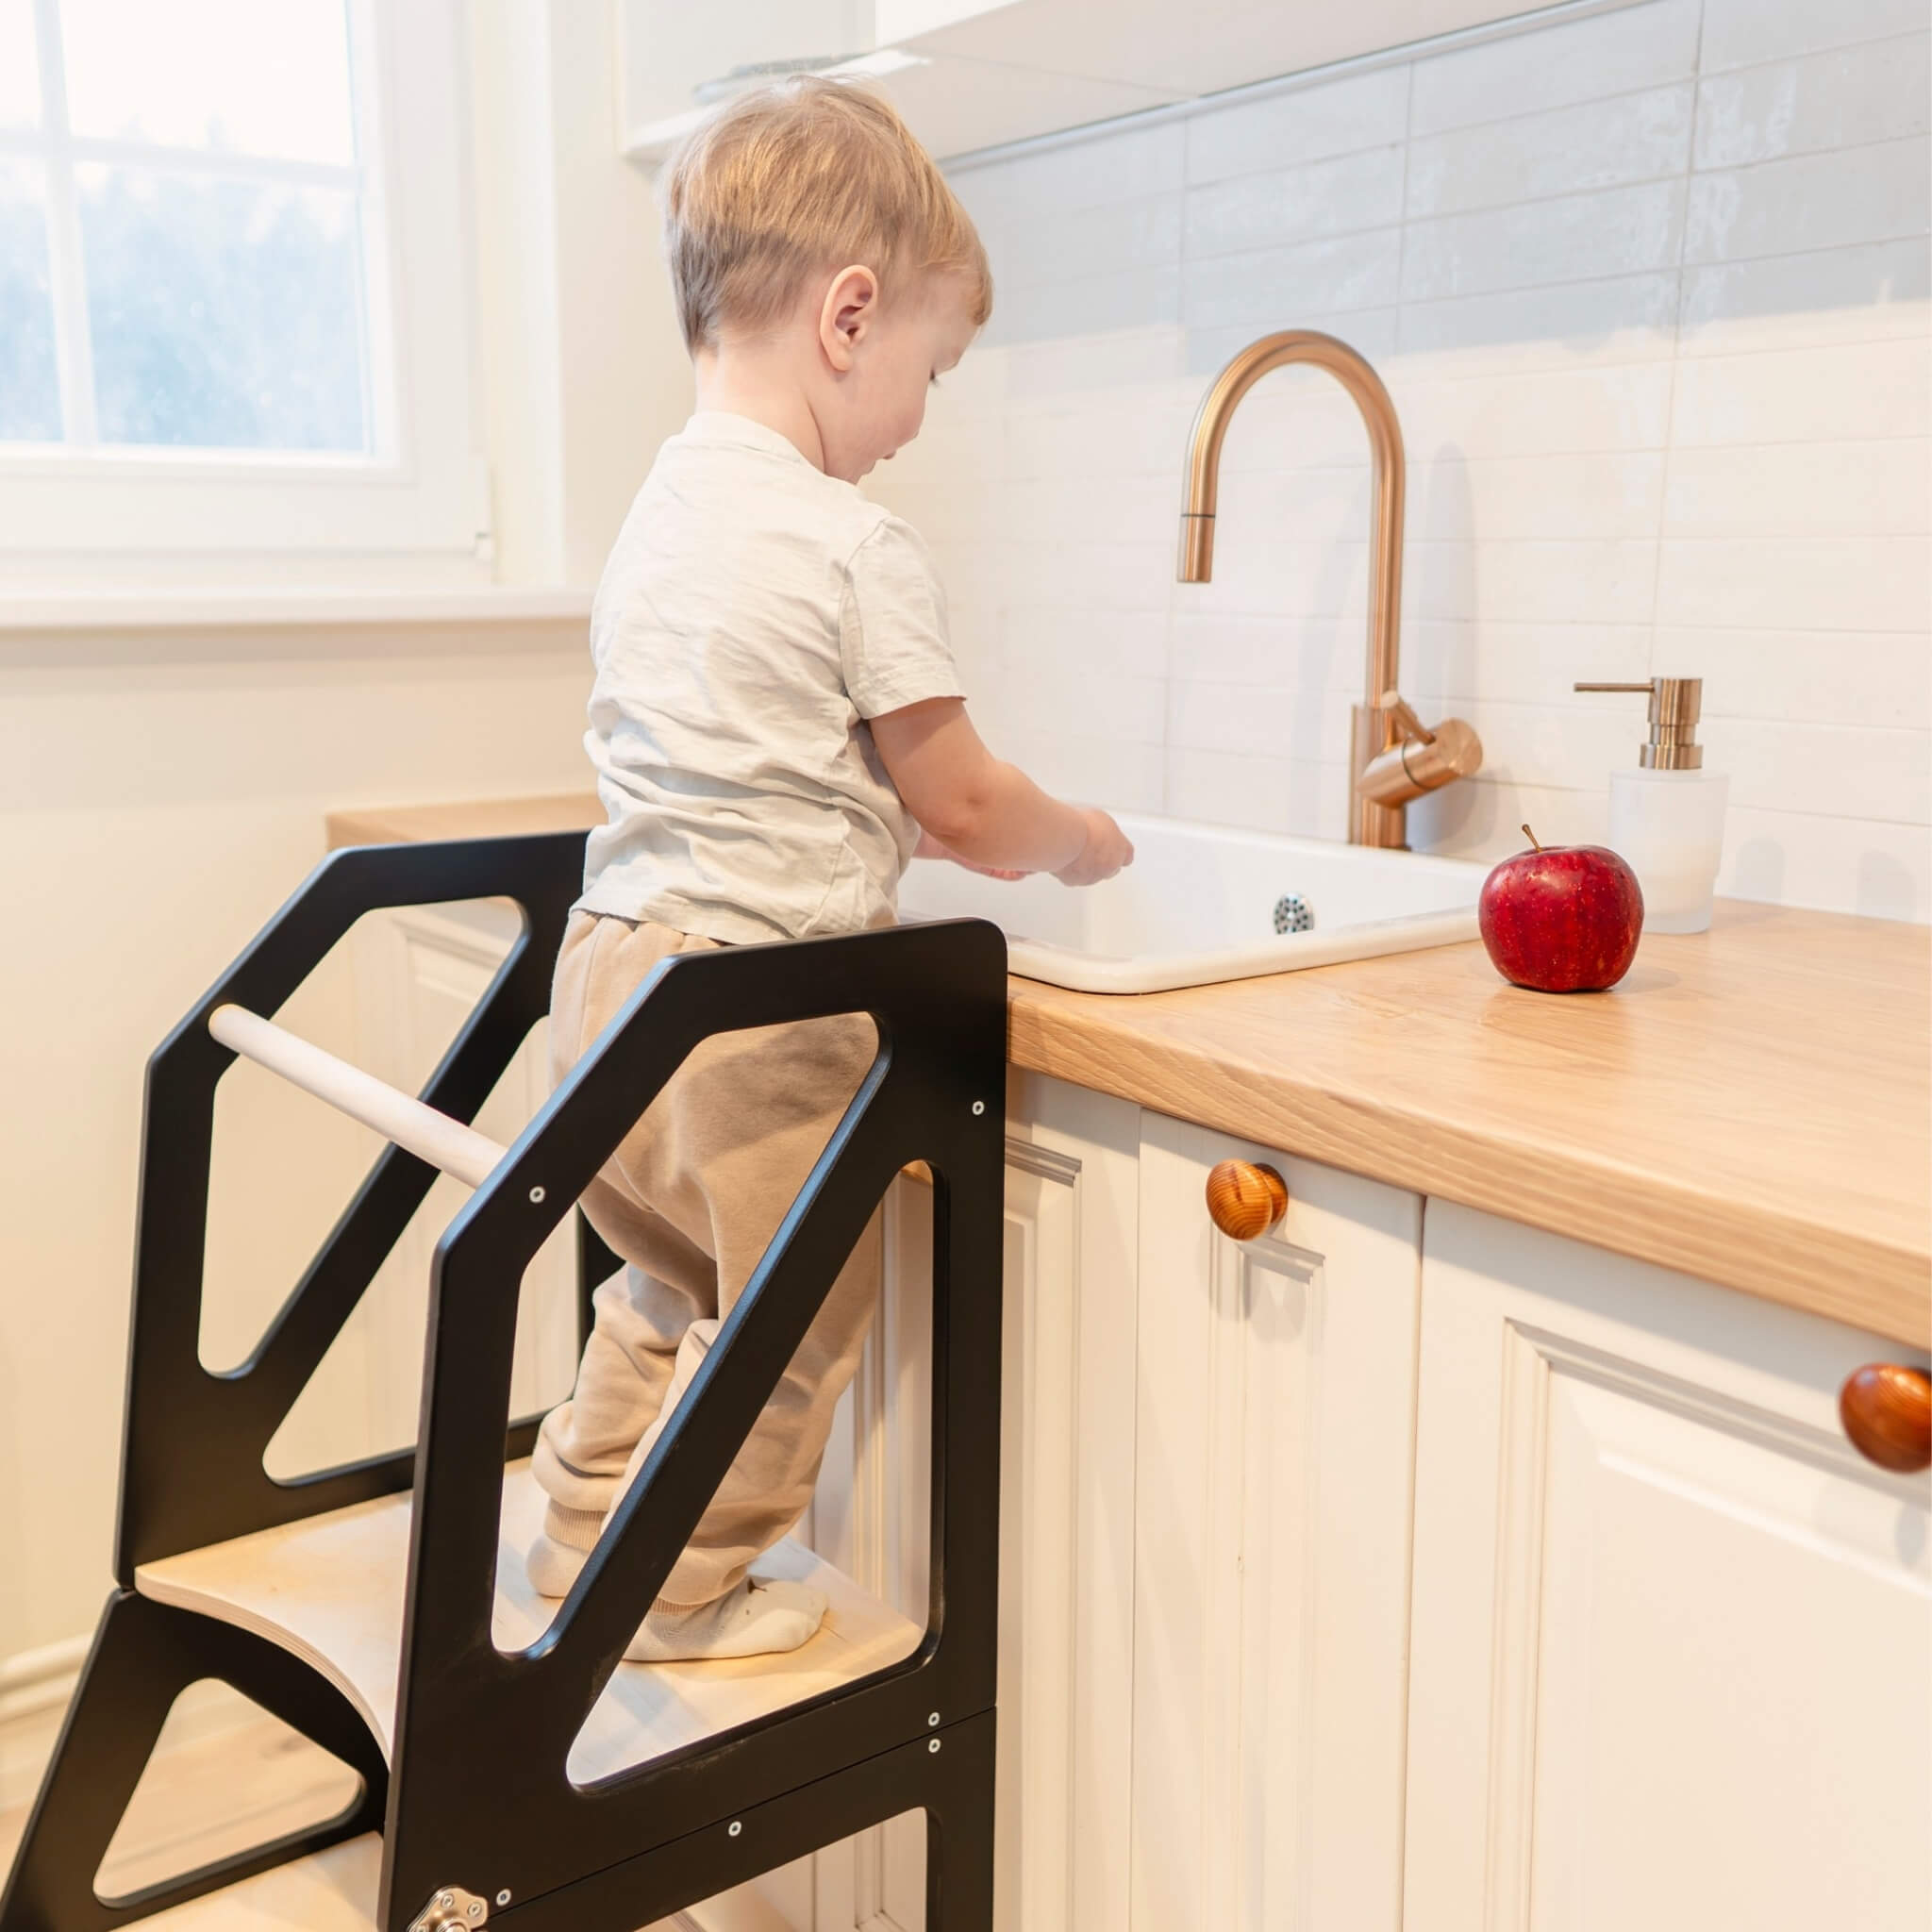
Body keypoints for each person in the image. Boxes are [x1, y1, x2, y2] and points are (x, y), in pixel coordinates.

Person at [529, 77, 1134, 1662]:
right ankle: (673, 1597)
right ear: (851, 317)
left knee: (662, 1282)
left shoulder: (657, 513)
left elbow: (765, 743)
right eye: (933, 368)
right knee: (787, 1316)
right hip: (753, 1012)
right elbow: (965, 801)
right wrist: (1075, 840)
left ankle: (578, 1542)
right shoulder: (854, 542)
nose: (921, 415)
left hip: (607, 982)